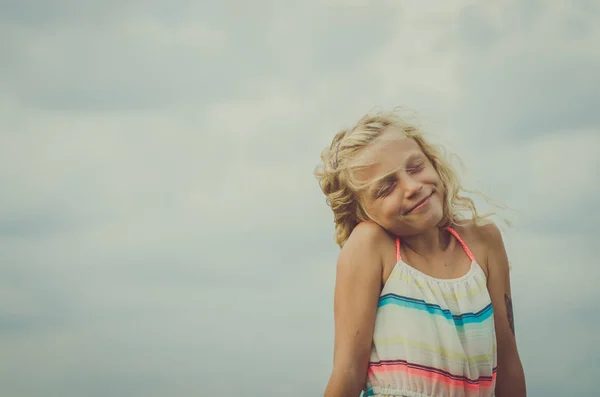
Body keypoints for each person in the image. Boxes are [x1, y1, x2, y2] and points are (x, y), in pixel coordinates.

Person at [314, 110, 526, 397]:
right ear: (361, 213)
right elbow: (348, 373)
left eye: (415, 167)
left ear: (433, 162)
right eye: (386, 187)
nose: (412, 187)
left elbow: (509, 365)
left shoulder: (484, 242)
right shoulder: (371, 247)